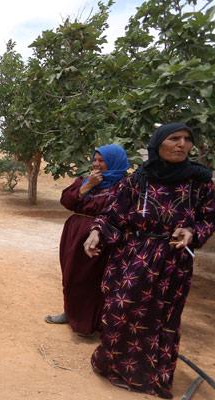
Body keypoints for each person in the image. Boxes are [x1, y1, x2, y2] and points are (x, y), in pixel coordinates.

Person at [84, 123, 215, 398]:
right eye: (174, 138)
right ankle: (113, 366)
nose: (182, 144)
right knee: (121, 308)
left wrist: (192, 231)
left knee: (161, 316)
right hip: (132, 255)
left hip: (172, 261)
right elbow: (112, 214)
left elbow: (208, 218)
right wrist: (96, 232)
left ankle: (153, 376)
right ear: (158, 144)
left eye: (187, 140)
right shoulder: (138, 179)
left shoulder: (201, 182)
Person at [45, 144, 129, 336]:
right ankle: (70, 312)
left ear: (114, 162)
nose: (97, 164)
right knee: (71, 274)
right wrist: (87, 186)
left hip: (103, 235)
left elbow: (120, 213)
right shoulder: (85, 180)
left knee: (93, 279)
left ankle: (89, 322)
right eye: (95, 159)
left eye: (102, 161)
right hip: (74, 233)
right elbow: (67, 201)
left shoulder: (124, 186)